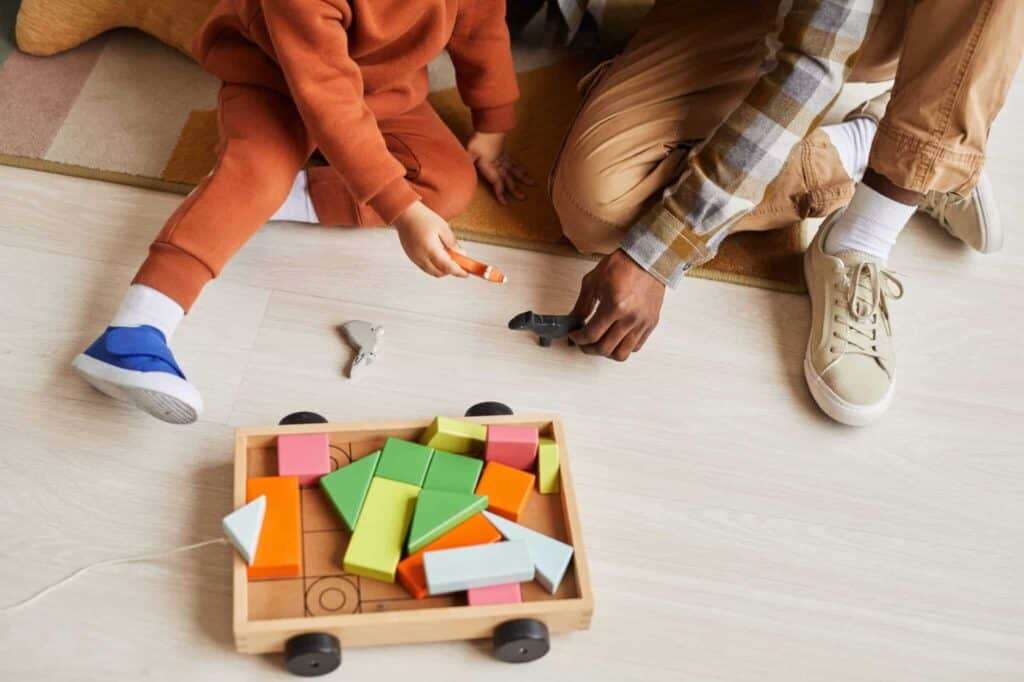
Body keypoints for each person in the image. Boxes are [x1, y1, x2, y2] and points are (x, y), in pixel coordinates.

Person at [551, 0, 1022, 425]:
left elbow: (812, 62)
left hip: (890, 20)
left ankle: (882, 206)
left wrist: (658, 254)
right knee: (594, 209)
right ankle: (875, 145)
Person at [72, 0, 532, 424]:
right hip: (274, 81)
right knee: (257, 172)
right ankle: (134, 331)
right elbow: (329, 100)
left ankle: (260, 201)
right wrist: (401, 210)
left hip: (383, 92)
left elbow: (482, 29)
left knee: (448, 183)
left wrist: (493, 124)